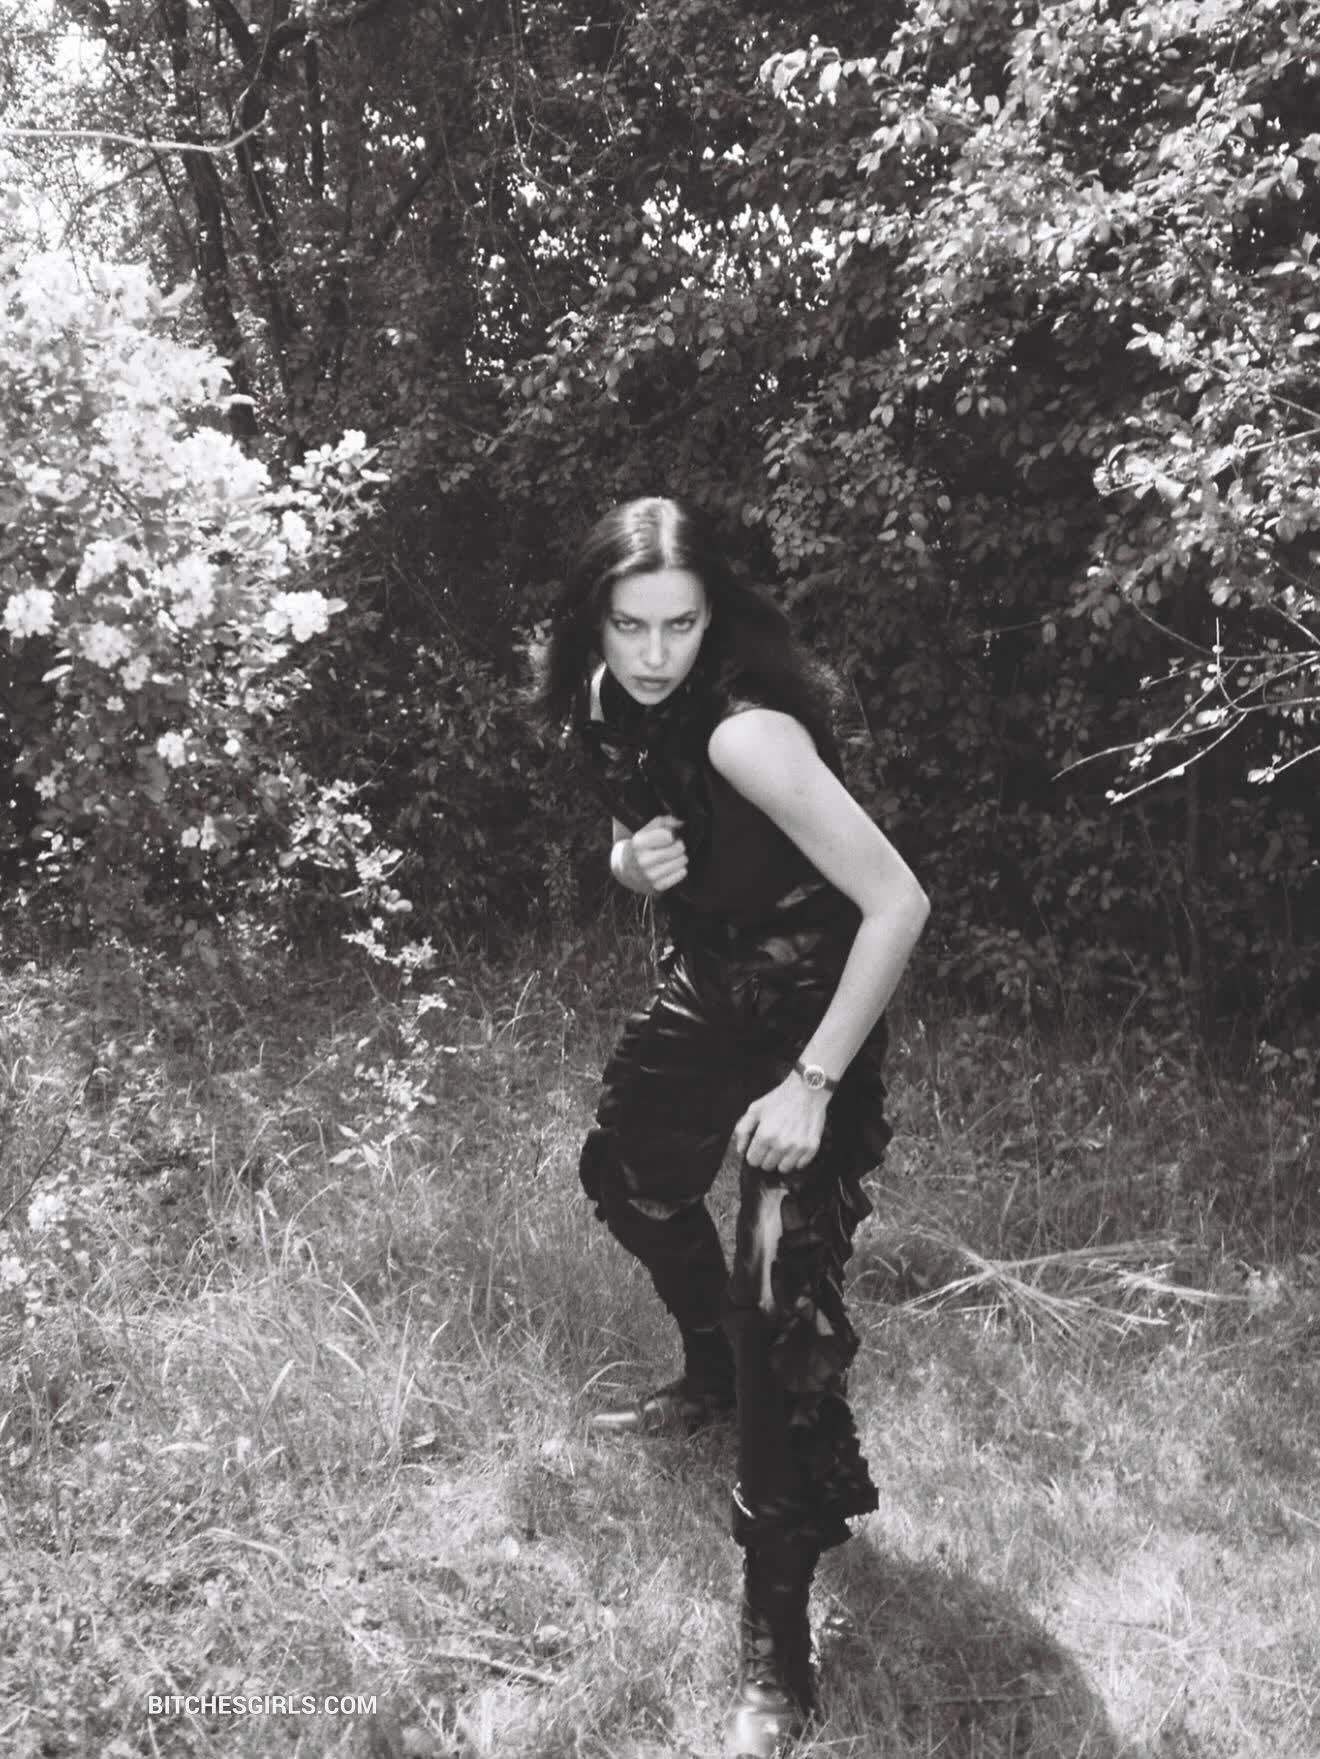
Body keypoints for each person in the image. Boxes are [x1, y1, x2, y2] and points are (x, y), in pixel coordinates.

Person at [538, 497, 929, 1758]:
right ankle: (709, 1372)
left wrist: (812, 1084)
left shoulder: (751, 733)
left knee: (778, 1297)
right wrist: (630, 866)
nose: (656, 653)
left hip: (815, 1018)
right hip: (712, 988)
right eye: (631, 625)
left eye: (682, 625)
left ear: (717, 618)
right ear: (596, 622)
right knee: (631, 1177)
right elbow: (632, 837)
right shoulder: (606, 700)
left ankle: (776, 1634)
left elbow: (898, 903)